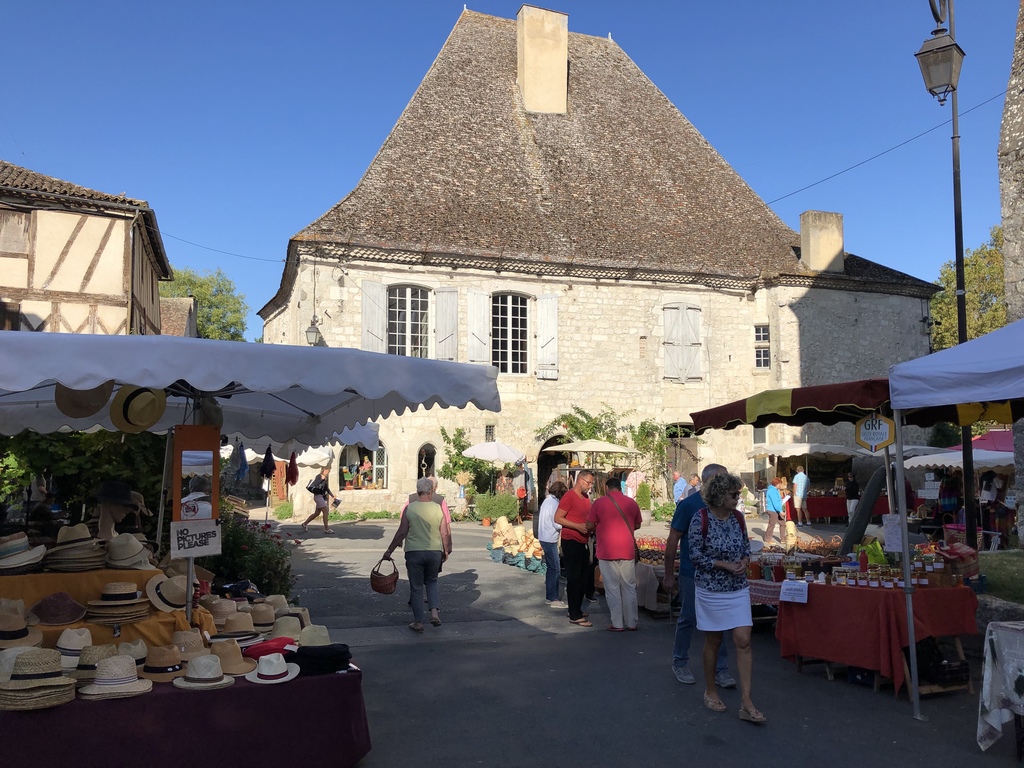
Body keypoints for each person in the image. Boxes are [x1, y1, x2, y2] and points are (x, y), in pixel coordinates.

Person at [689, 472, 763, 724]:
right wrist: (723, 565)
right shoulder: (700, 519)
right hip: (711, 589)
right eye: (734, 494)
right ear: (719, 496)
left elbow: (745, 547)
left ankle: (747, 700)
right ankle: (710, 690)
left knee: (744, 640)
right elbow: (695, 556)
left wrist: (743, 561)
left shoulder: (739, 518)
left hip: (737, 587)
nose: (737, 498)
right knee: (714, 641)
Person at [662, 464, 734, 687]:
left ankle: (720, 669)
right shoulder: (688, 505)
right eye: (720, 479)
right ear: (708, 481)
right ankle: (680, 661)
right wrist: (668, 574)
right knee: (689, 617)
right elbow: (673, 538)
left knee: (719, 620)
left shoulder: (726, 506)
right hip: (691, 572)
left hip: (719, 573)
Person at [383, 477, 453, 633]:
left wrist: (389, 550)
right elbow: (444, 533)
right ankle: (434, 613)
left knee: (416, 587)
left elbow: (402, 532)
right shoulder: (437, 508)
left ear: (417, 491)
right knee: (432, 582)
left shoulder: (410, 508)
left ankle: (418, 622)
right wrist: (446, 550)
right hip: (434, 551)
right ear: (431, 491)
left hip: (414, 552)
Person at [587, 477, 642, 631]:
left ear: (607, 488)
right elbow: (637, 524)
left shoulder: (599, 503)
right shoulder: (632, 503)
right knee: (629, 587)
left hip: (607, 551)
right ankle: (632, 622)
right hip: (627, 550)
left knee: (612, 588)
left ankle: (617, 623)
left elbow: (589, 524)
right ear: (621, 487)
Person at [554, 470, 594, 627]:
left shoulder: (585, 498)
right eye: (588, 482)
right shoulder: (569, 496)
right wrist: (577, 526)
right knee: (574, 578)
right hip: (571, 540)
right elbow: (557, 518)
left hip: (584, 540)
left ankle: (575, 608)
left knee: (583, 576)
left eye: (591, 483)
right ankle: (575, 615)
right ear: (580, 481)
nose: (590, 486)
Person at [538, 481, 568, 607]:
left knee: (551, 568)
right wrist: (567, 524)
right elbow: (556, 523)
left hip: (544, 536)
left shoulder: (547, 501)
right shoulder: (555, 503)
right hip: (550, 538)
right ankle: (554, 598)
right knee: (555, 568)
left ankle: (550, 596)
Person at [302, 466, 337, 534]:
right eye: (328, 470)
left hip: (321, 496)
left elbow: (327, 489)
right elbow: (315, 484)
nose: (329, 472)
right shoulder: (319, 476)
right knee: (325, 512)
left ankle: (304, 524)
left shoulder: (326, 478)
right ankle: (326, 529)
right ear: (324, 470)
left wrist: (332, 496)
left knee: (316, 513)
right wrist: (321, 479)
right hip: (317, 496)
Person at [763, 477, 784, 547]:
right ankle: (768, 539)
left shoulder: (775, 490)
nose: (780, 486)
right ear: (776, 484)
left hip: (776, 509)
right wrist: (780, 511)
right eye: (780, 484)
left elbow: (777, 501)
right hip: (773, 510)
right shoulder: (772, 491)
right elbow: (775, 502)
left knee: (783, 523)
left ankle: (783, 539)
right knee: (772, 525)